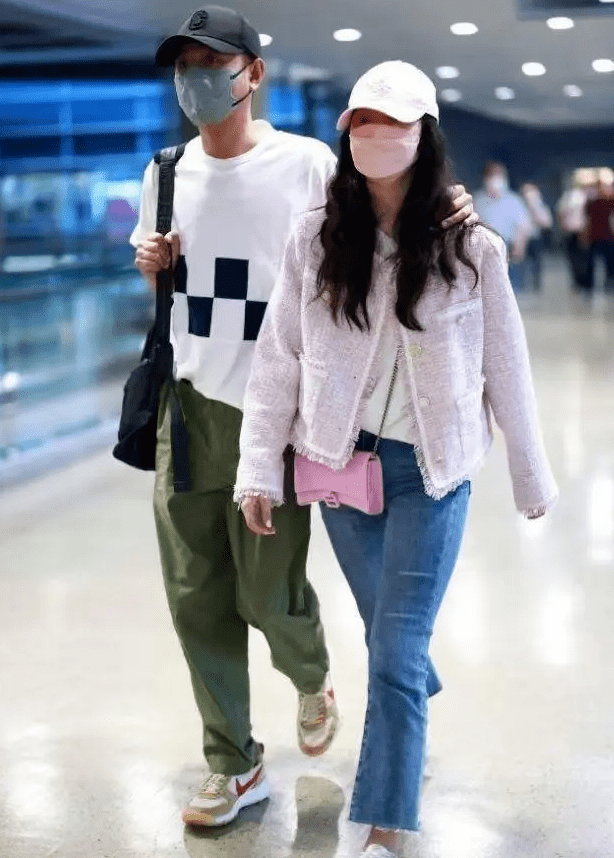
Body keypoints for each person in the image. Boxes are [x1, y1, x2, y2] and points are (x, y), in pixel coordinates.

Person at [130, 8, 476, 830]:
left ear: (252, 73)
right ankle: (233, 762)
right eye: (184, 65)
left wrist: (445, 205)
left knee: (269, 593)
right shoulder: (166, 171)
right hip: (189, 406)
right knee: (196, 596)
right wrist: (153, 266)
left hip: (279, 416)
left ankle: (313, 675)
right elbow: (168, 287)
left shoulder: (306, 164)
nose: (196, 80)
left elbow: (376, 231)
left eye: (212, 63)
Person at [235, 60, 558, 858]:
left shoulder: (471, 245)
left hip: (432, 475)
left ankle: (383, 824)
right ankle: (410, 688)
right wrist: (257, 466)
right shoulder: (316, 236)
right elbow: (278, 358)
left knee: (395, 650)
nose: (376, 135)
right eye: (363, 122)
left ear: (424, 135)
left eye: (394, 123)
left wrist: (530, 476)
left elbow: (507, 364)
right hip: (338, 467)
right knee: (393, 643)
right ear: (347, 133)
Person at [474, 161, 531, 291]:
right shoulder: (477, 200)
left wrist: (519, 247)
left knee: (512, 289)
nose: (495, 179)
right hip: (484, 250)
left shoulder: (513, 200)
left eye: (499, 175)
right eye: (491, 175)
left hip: (508, 249)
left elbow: (524, 226)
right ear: (485, 178)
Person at [556, 170, 594, 292]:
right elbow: (561, 214)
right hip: (575, 231)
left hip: (581, 231)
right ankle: (580, 282)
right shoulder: (572, 196)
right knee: (577, 259)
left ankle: (583, 283)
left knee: (582, 259)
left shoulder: (586, 196)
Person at [583, 168, 614, 293]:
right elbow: (587, 221)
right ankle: (589, 286)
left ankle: (609, 283)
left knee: (610, 263)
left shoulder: (610, 202)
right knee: (591, 263)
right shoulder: (592, 203)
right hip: (595, 236)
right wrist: (585, 235)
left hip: (608, 236)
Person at [520, 182, 552, 292]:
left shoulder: (541, 206)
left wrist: (534, 208)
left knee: (536, 263)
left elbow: (546, 223)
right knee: (521, 263)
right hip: (522, 239)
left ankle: (536, 284)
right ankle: (522, 284)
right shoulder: (518, 205)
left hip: (536, 238)